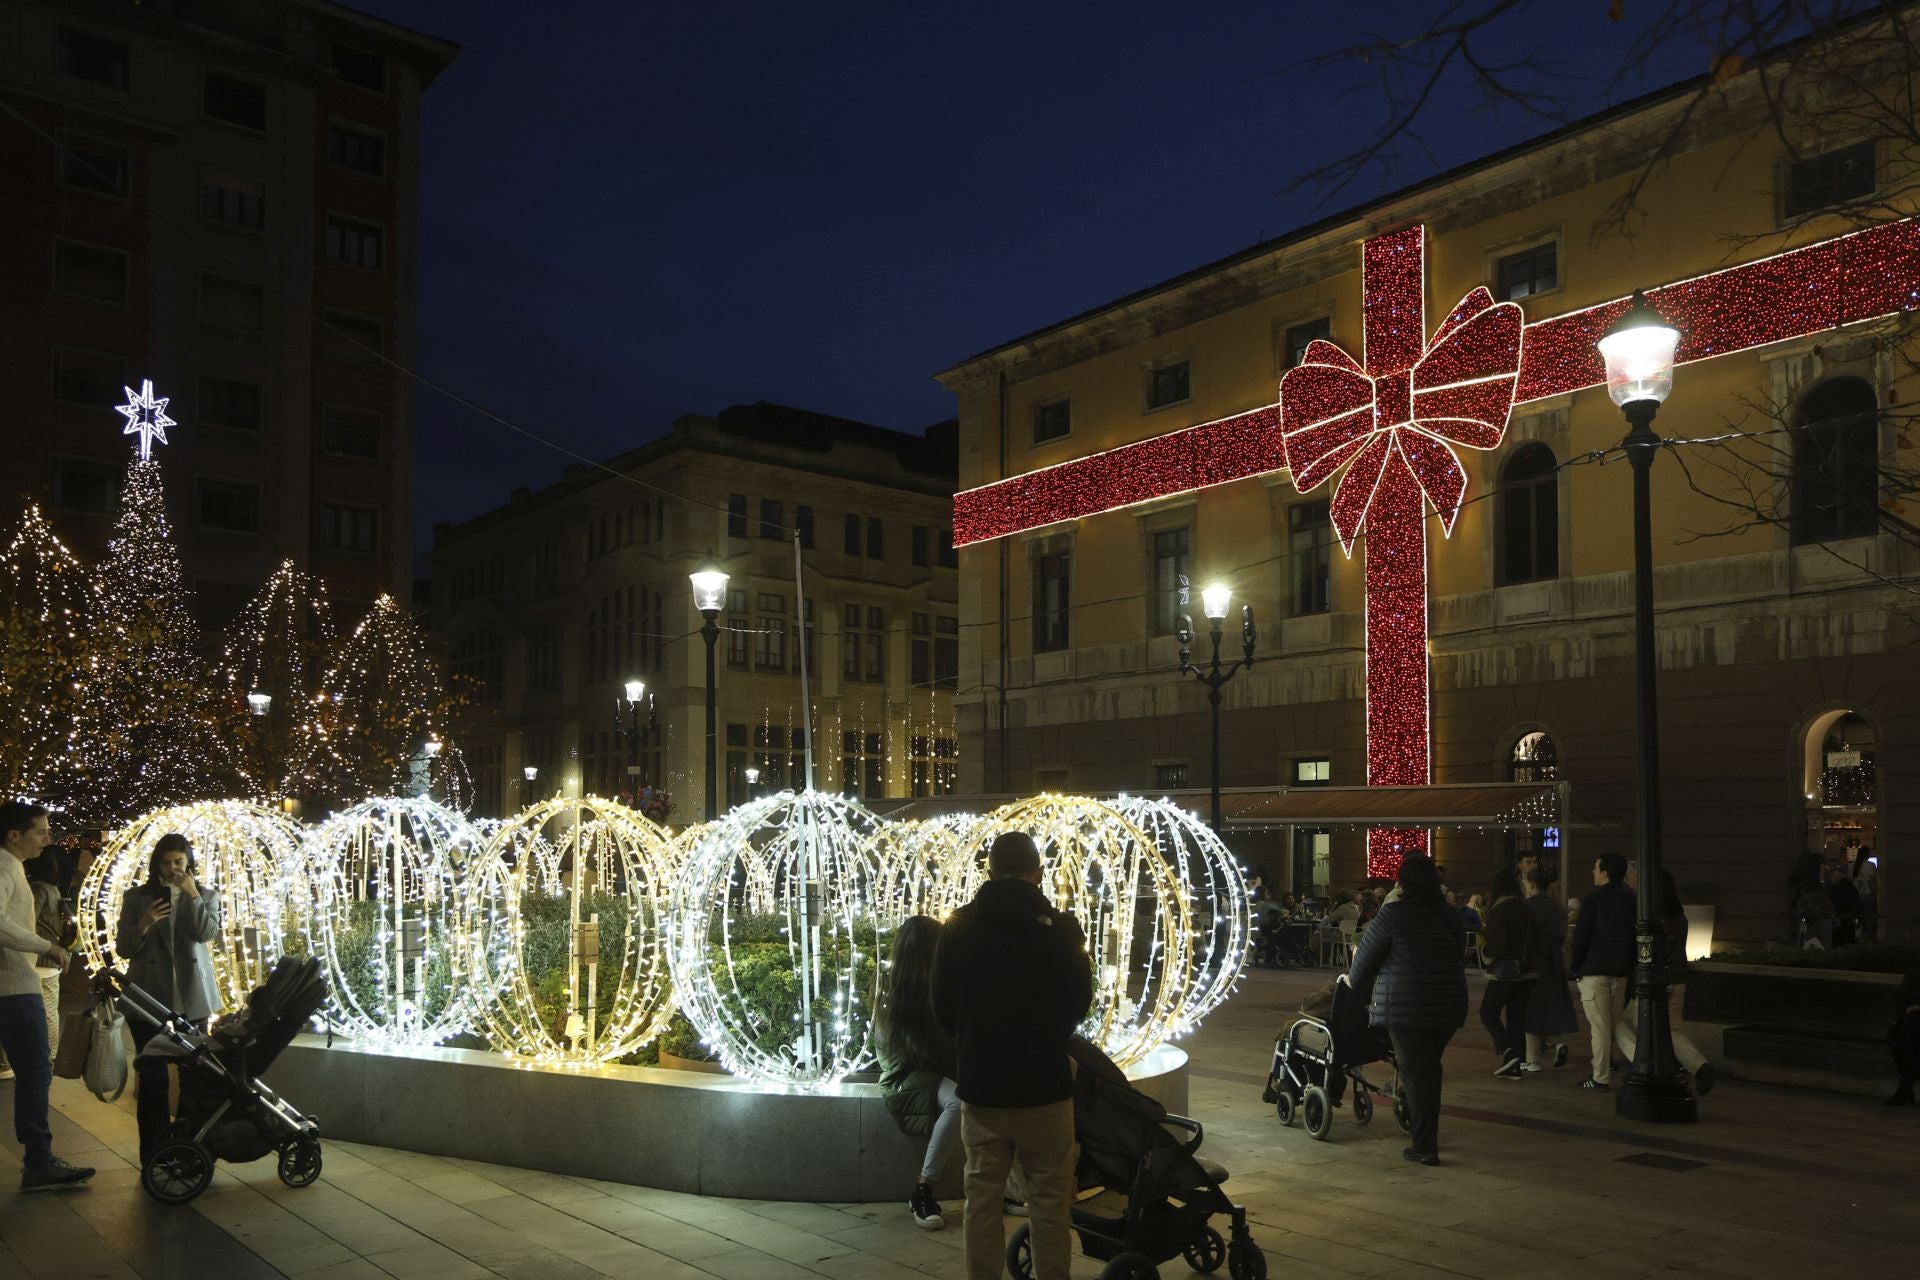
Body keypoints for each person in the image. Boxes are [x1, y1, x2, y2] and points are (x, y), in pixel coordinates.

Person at [931, 832, 1093, 1280]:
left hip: (982, 1088)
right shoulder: (1061, 930)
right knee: (1049, 1203)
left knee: (981, 1199)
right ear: (1037, 872)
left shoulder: (958, 928)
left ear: (988, 870)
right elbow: (1080, 1001)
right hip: (1045, 1087)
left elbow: (941, 1008)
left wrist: (973, 1043)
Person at [1346, 853, 1467, 1167]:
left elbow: (1362, 964)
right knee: (1428, 1070)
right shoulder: (1449, 914)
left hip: (1405, 1005)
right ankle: (1421, 1130)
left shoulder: (1392, 914)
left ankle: (1425, 1146)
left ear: (1402, 882)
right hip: (1447, 1005)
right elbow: (1457, 951)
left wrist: (1353, 982)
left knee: (1418, 1075)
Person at [0, 800, 94, 1191]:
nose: (49, 838)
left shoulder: (13, 868)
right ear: (15, 835)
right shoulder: (4, 867)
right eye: (41, 830)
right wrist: (45, 946)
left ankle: (39, 1157)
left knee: (34, 1070)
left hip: (14, 985)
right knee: (36, 1070)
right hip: (13, 988)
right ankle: (39, 1161)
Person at [115, 832, 224, 1168]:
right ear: (156, 864)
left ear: (189, 861)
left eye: (179, 861)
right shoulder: (137, 897)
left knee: (193, 1078)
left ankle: (189, 1151)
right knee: (153, 1080)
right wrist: (145, 923)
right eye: (166, 862)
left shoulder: (205, 894)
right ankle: (153, 1153)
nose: (173, 868)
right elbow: (123, 948)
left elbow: (207, 934)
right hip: (147, 998)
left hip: (191, 998)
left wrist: (192, 896)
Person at [876, 915, 961, 1230]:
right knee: (959, 1103)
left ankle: (1008, 1187)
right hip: (906, 1079)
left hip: (931, 1071)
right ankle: (923, 1187)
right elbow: (924, 1052)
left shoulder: (928, 984)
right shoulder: (896, 994)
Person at [1614, 869, 1716, 1096]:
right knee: (1672, 1029)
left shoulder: (1654, 918)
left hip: (1656, 981)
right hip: (1678, 978)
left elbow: (1651, 950)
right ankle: (1692, 1066)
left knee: (1622, 1025)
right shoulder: (1680, 917)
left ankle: (1647, 1063)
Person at [1571, 852, 1636, 1091]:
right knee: (1615, 1023)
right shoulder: (1631, 898)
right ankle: (1643, 1061)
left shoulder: (1593, 898)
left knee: (1599, 1027)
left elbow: (1581, 937)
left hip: (1594, 970)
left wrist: (1576, 967)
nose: (1593, 871)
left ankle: (1600, 1077)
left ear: (1605, 872)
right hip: (1620, 971)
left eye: (1596, 868)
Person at [1479, 869, 1538, 1079]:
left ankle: (1508, 1050)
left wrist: (1486, 954)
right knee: (1516, 1018)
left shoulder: (1500, 909)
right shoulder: (1526, 907)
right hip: (1529, 971)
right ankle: (1515, 1064)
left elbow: (1498, 944)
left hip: (1505, 971)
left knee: (1487, 1012)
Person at [1521, 867, 1577, 1072]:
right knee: (1545, 1007)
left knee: (1529, 1009)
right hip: (1553, 962)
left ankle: (1533, 1059)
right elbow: (1560, 938)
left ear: (1532, 884)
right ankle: (1554, 1043)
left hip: (1531, 963)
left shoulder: (1525, 907)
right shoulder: (1558, 908)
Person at [1886, 959, 1920, 1106]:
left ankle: (1905, 1090)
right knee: (1904, 1037)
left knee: (1913, 1038)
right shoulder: (1914, 973)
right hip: (1911, 1023)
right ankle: (1905, 1089)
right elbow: (1902, 998)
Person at [1827, 865, 1862, 949]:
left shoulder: (1834, 889)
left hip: (1838, 921)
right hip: (1850, 921)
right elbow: (1856, 905)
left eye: (1832, 874)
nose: (1831, 876)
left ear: (1838, 875)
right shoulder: (1851, 887)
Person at [1855, 854, 1880, 944]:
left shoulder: (1853, 865)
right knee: (1868, 915)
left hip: (1857, 894)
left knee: (1859, 916)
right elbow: (1873, 882)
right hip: (1867, 893)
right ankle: (1869, 937)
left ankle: (1857, 936)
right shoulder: (1870, 865)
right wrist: (1875, 894)